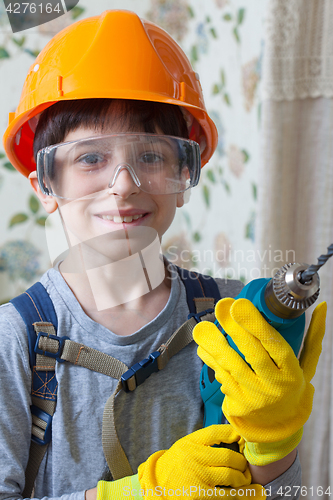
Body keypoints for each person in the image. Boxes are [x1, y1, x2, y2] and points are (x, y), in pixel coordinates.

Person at [0, 9, 326, 500]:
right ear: (47, 185)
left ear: (185, 178)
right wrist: (130, 495)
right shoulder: (16, 342)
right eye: (92, 157)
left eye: (151, 156)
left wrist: (272, 444)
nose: (124, 184)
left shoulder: (232, 319)